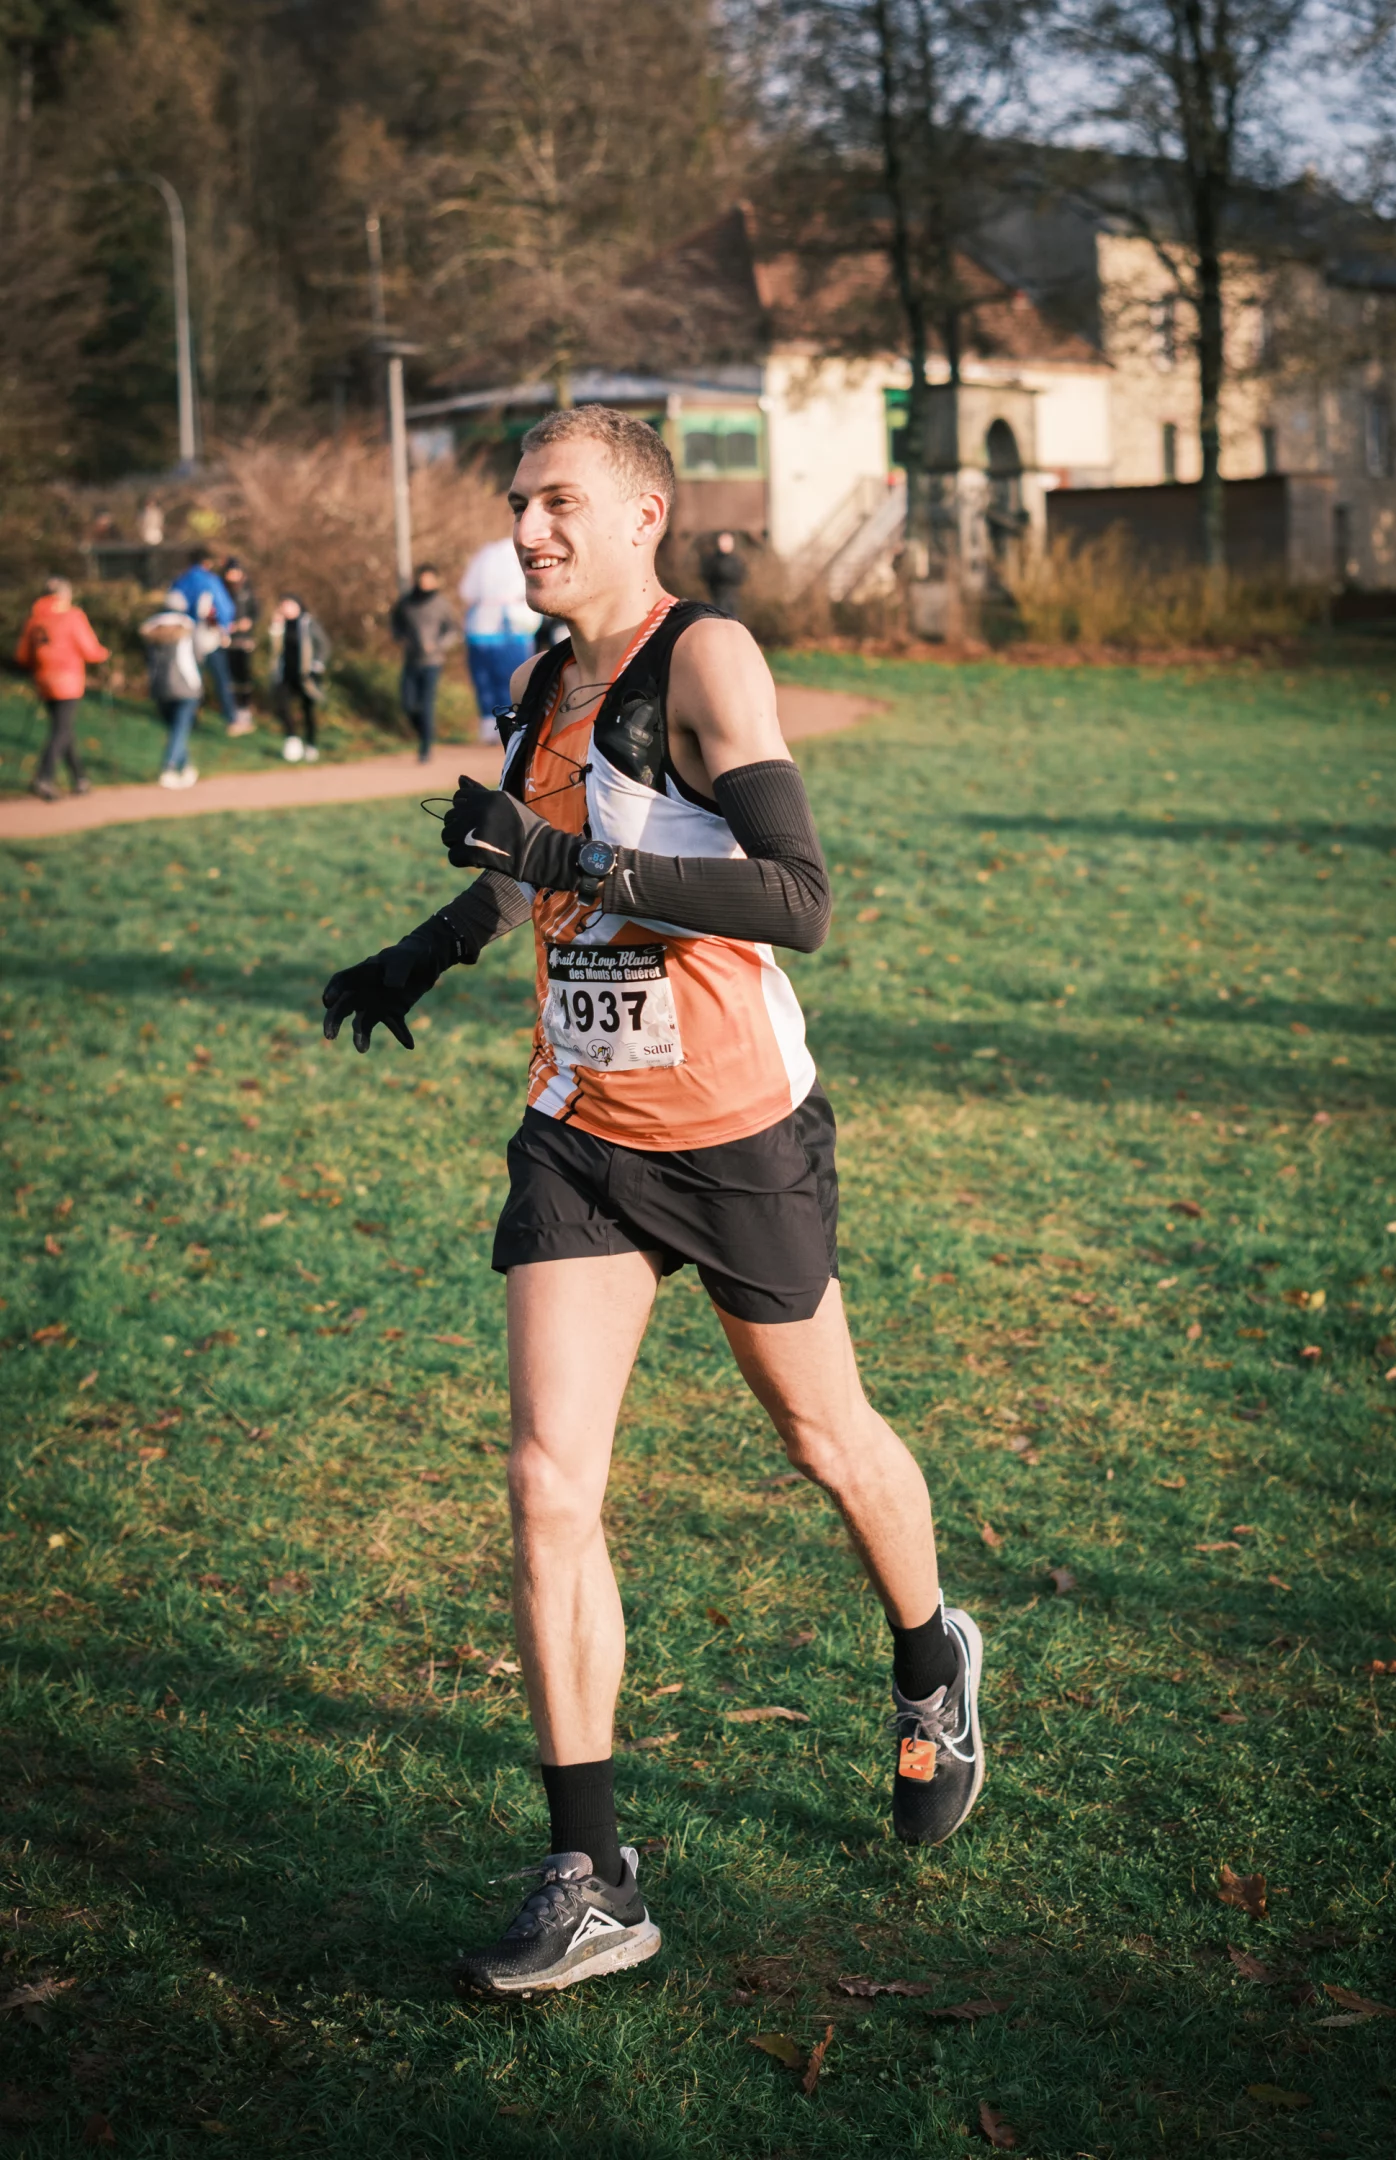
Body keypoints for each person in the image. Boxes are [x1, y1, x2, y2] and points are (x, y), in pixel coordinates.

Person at [321, 406, 985, 2002]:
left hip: (738, 1134)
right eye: (518, 503)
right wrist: (422, 953)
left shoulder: (707, 659)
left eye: (558, 501)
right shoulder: (542, 682)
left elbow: (796, 898)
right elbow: (519, 861)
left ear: (642, 515)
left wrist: (568, 859)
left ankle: (930, 1657)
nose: (527, 529)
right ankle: (592, 1878)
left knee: (825, 1438)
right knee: (547, 1483)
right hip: (582, 1134)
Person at [15, 577, 110, 801]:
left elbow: (22, 654)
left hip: (43, 679)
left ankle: (80, 778)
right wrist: (103, 654)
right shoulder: (72, 616)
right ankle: (44, 776)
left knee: (63, 728)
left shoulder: (35, 617)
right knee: (61, 729)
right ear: (64, 595)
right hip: (68, 680)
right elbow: (90, 649)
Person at [458, 536, 541, 743]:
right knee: (514, 680)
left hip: (481, 629)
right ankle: (512, 726)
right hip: (513, 630)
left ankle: (489, 726)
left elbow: (467, 591)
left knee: (485, 681)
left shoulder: (484, 556)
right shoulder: (519, 559)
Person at [390, 563, 460, 762]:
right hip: (411, 661)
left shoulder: (441, 604)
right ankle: (423, 732)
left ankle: (425, 747)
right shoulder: (406, 602)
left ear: (436, 581)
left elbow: (453, 630)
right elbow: (395, 623)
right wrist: (401, 638)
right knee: (408, 704)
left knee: (426, 704)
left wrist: (438, 645)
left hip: (433, 662)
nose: (425, 583)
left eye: (429, 579)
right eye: (422, 579)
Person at [139, 589, 204, 789]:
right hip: (186, 687)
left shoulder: (152, 631)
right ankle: (169, 767)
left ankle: (187, 767)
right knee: (180, 729)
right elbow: (196, 657)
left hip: (160, 688)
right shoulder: (186, 629)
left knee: (176, 729)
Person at [172, 544, 239, 730]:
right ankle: (232, 719)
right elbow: (225, 608)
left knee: (192, 679)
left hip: (185, 638)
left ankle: (190, 718)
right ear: (206, 563)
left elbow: (172, 604)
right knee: (221, 679)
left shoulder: (181, 580)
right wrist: (225, 629)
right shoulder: (210, 581)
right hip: (208, 638)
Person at [268, 594, 331, 762]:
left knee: (308, 711)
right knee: (282, 707)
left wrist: (317, 665)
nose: (286, 609)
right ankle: (292, 739)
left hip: (305, 675)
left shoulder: (308, 623)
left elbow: (323, 645)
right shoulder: (279, 626)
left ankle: (311, 744)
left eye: (290, 605)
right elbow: (274, 650)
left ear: (298, 606)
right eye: (284, 605)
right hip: (284, 675)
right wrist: (275, 628)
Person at [221, 558, 258, 735]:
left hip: (243, 641)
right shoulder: (222, 591)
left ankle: (244, 713)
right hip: (226, 641)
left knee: (244, 679)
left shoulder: (247, 592)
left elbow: (255, 612)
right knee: (229, 679)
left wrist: (249, 623)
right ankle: (233, 714)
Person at [699, 528, 747, 618]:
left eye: (728, 541)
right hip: (716, 598)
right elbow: (706, 575)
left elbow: (741, 576)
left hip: (732, 599)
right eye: (723, 541)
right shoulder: (712, 560)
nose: (725, 544)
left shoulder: (736, 561)